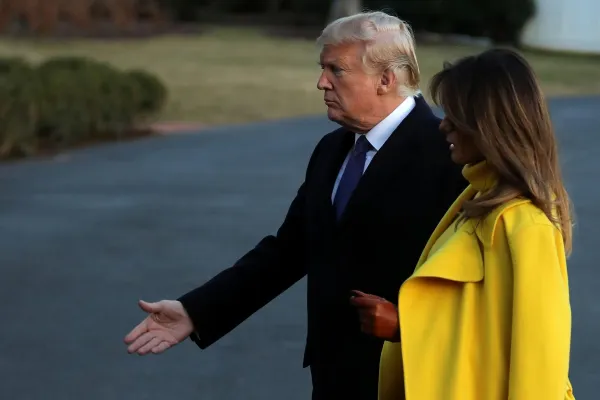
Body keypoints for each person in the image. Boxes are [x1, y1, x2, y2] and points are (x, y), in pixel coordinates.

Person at [123, 11, 467, 399]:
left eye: (336, 70)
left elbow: (473, 286)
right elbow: (288, 251)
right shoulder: (332, 150)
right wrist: (196, 311)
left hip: (411, 377)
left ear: (385, 79)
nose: (322, 82)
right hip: (332, 377)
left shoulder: (448, 155)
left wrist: (408, 325)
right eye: (323, 68)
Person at [368, 48, 576, 400]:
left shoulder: (525, 225)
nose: (443, 125)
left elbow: (539, 365)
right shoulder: (477, 199)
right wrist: (405, 327)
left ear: (490, 125)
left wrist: (404, 324)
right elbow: (479, 327)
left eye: (455, 115)